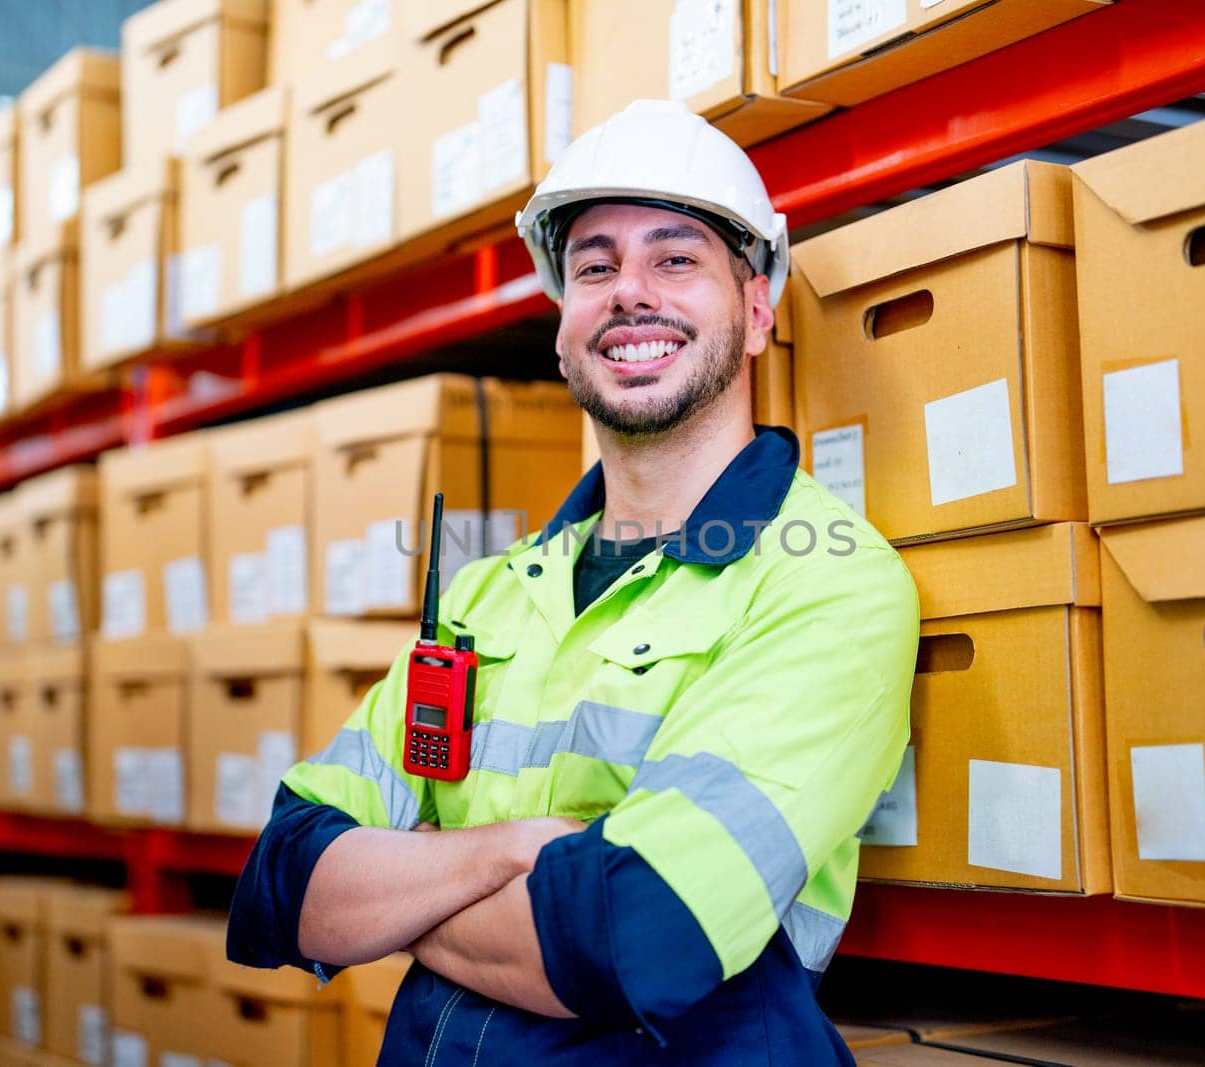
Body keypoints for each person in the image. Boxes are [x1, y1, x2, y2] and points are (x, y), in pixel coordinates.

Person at [226, 99, 920, 1065]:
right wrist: (517, 851)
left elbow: (639, 935)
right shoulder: (486, 597)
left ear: (757, 310)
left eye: (676, 259)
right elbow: (284, 885)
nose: (630, 293)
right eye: (594, 266)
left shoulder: (825, 585)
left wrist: (392, 902)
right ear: (561, 329)